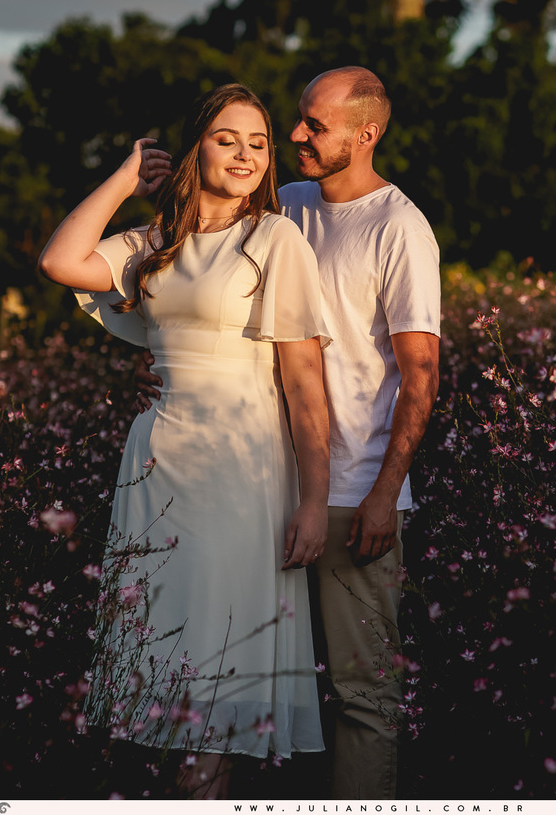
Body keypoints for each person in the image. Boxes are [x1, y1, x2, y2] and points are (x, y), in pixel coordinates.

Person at [136, 67, 441, 799]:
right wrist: (164, 368)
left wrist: (382, 493)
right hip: (256, 484)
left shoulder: (399, 227)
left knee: (360, 695)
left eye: (316, 125)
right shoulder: (286, 207)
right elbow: (197, 288)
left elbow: (421, 375)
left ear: (367, 134)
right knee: (235, 674)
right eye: (297, 122)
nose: (297, 136)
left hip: (348, 494)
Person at [38, 83, 331, 799]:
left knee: (220, 668)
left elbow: (303, 379)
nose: (246, 155)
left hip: (243, 463)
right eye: (227, 139)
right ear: (197, 144)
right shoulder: (153, 243)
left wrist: (315, 499)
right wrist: (126, 177)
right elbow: (60, 261)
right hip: (159, 462)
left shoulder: (274, 238)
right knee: (164, 665)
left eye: (259, 144)